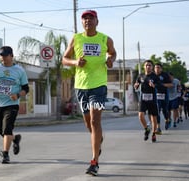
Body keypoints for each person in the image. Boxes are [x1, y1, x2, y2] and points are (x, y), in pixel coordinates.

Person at [62, 10, 116, 176]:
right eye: (85, 19)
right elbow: (64, 58)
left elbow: (113, 53)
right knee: (88, 123)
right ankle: (98, 141)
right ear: (82, 22)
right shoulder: (76, 38)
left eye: (90, 18)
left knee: (94, 121)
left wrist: (110, 60)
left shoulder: (105, 39)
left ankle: (94, 162)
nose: (87, 21)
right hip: (81, 86)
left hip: (98, 86)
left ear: (96, 21)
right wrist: (76, 62)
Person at [0, 46, 29, 164]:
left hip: (12, 104)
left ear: (11, 56)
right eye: (0, 55)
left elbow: (26, 88)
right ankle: (15, 139)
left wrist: (18, 95)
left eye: (5, 55)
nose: (2, 58)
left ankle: (5, 154)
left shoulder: (20, 70)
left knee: (7, 128)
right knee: (1, 130)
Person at [134, 60, 160, 143]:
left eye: (149, 65)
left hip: (152, 100)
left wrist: (154, 85)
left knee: (153, 118)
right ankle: (147, 128)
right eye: (146, 65)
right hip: (143, 99)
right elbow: (136, 84)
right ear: (144, 67)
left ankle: (153, 134)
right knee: (140, 116)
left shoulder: (155, 76)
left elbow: (159, 86)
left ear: (152, 67)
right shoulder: (141, 75)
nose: (148, 67)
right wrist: (136, 85)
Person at [154, 63, 172, 133]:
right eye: (155, 67)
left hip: (164, 95)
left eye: (158, 67)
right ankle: (158, 127)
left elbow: (170, 84)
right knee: (157, 111)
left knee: (165, 110)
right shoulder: (153, 75)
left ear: (161, 68)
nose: (157, 69)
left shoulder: (165, 75)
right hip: (156, 95)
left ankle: (167, 120)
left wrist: (162, 84)